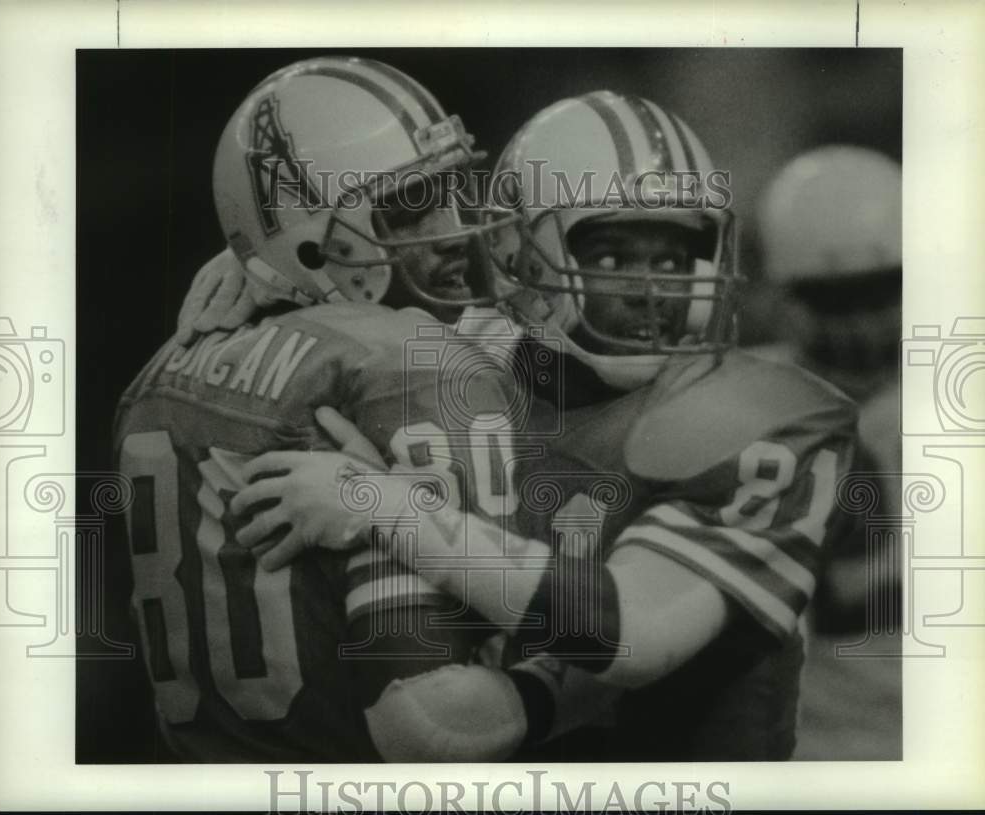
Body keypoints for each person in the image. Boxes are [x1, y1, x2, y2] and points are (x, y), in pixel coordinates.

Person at [232, 92, 860, 761]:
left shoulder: (757, 415)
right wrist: (252, 272)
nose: (654, 289)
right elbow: (329, 260)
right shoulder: (459, 360)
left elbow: (631, 634)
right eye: (612, 255)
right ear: (514, 250)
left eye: (675, 256)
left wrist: (388, 505)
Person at [114, 56, 522, 762]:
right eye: (414, 203)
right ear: (311, 241)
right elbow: (514, 664)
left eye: (454, 190)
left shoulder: (153, 380)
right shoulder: (412, 367)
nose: (456, 230)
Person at [756, 145, 902, 631]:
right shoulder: (742, 404)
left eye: (882, 293)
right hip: (821, 700)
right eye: (837, 301)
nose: (862, 326)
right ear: (779, 299)